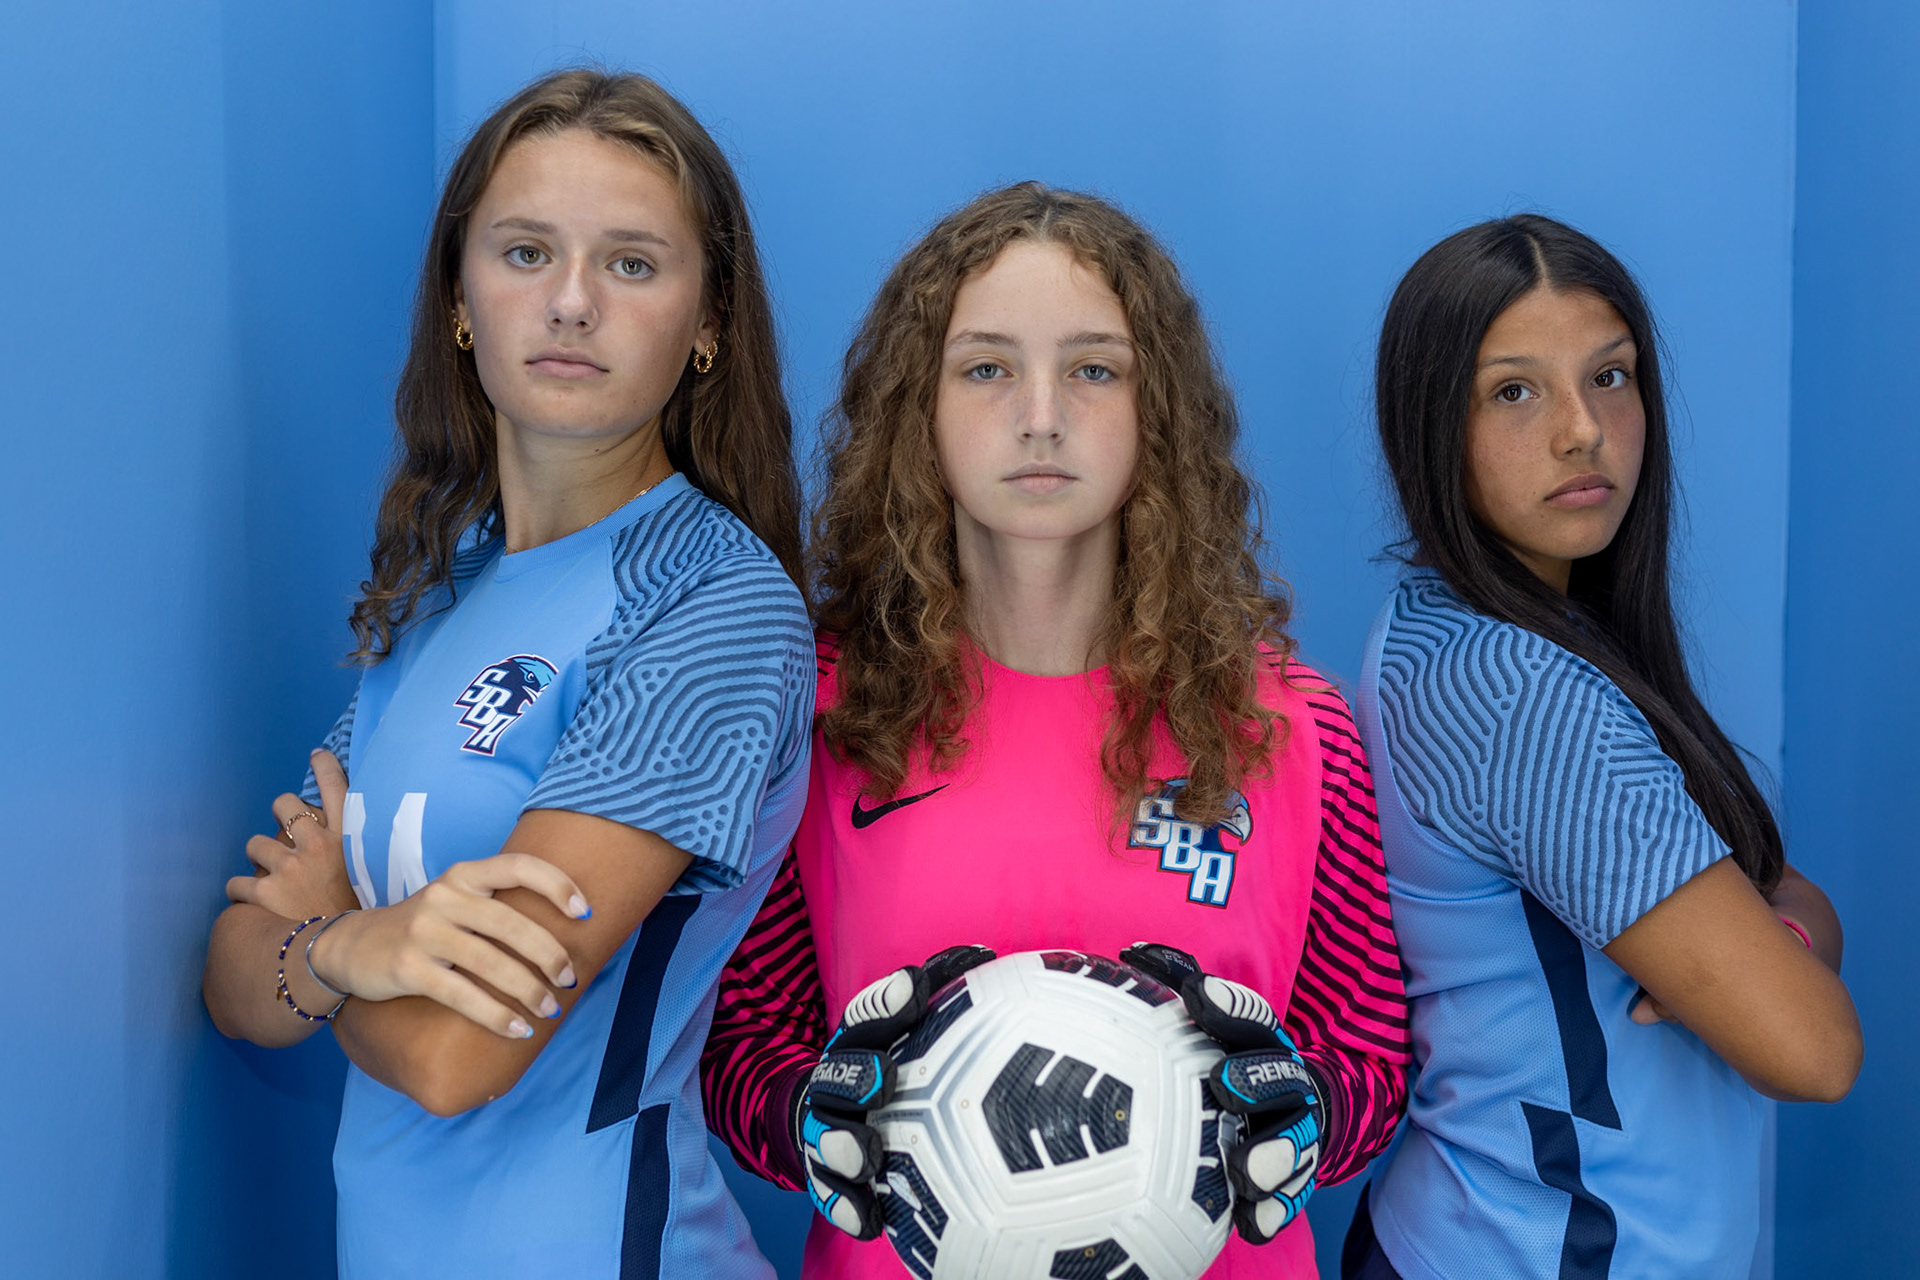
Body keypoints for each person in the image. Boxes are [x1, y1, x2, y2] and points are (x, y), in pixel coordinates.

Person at [700, 182, 1411, 1279]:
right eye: (986, 367)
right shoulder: (822, 709)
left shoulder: (1289, 721)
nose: (1041, 414)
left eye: (1093, 368)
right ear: (917, 408)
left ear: (1155, 408)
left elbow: (1369, 1053)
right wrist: (812, 1109)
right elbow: (739, 1045)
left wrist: (1300, 1108)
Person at [200, 70, 813, 1279]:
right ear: (463, 303)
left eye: (632, 263)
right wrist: (337, 948)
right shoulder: (436, 593)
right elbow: (234, 975)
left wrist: (325, 939)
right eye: (526, 251)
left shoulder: (712, 603)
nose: (572, 302)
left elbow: (452, 1056)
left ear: (708, 324)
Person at [1343, 214, 1863, 1280]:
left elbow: (1782, 899)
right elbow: (1813, 1049)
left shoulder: (1455, 628)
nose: (1583, 430)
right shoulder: (1517, 691)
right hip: (1542, 1254)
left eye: (1612, 377)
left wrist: (1775, 931)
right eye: (1515, 391)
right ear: (1431, 423)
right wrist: (1778, 943)